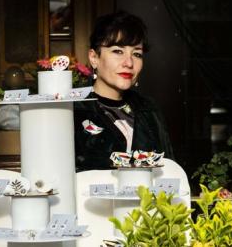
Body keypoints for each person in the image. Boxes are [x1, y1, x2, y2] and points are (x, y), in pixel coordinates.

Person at [74, 10, 173, 170]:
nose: (129, 62)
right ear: (94, 58)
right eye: (118, 51)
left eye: (137, 54)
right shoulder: (74, 109)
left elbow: (167, 169)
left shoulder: (148, 109)